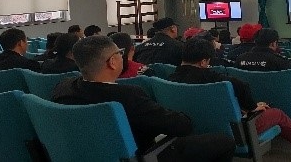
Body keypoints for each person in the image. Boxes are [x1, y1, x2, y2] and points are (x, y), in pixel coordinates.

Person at [51, 36, 236, 161]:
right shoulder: (127, 95)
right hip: (144, 153)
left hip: (87, 154)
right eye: (119, 53)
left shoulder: (63, 88)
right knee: (224, 142)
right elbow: (181, 126)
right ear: (112, 62)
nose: (122, 56)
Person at [169, 38, 291, 162]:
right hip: (234, 131)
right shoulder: (213, 78)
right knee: (277, 114)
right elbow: (241, 85)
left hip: (193, 131)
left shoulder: (168, 80)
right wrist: (252, 108)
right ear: (203, 62)